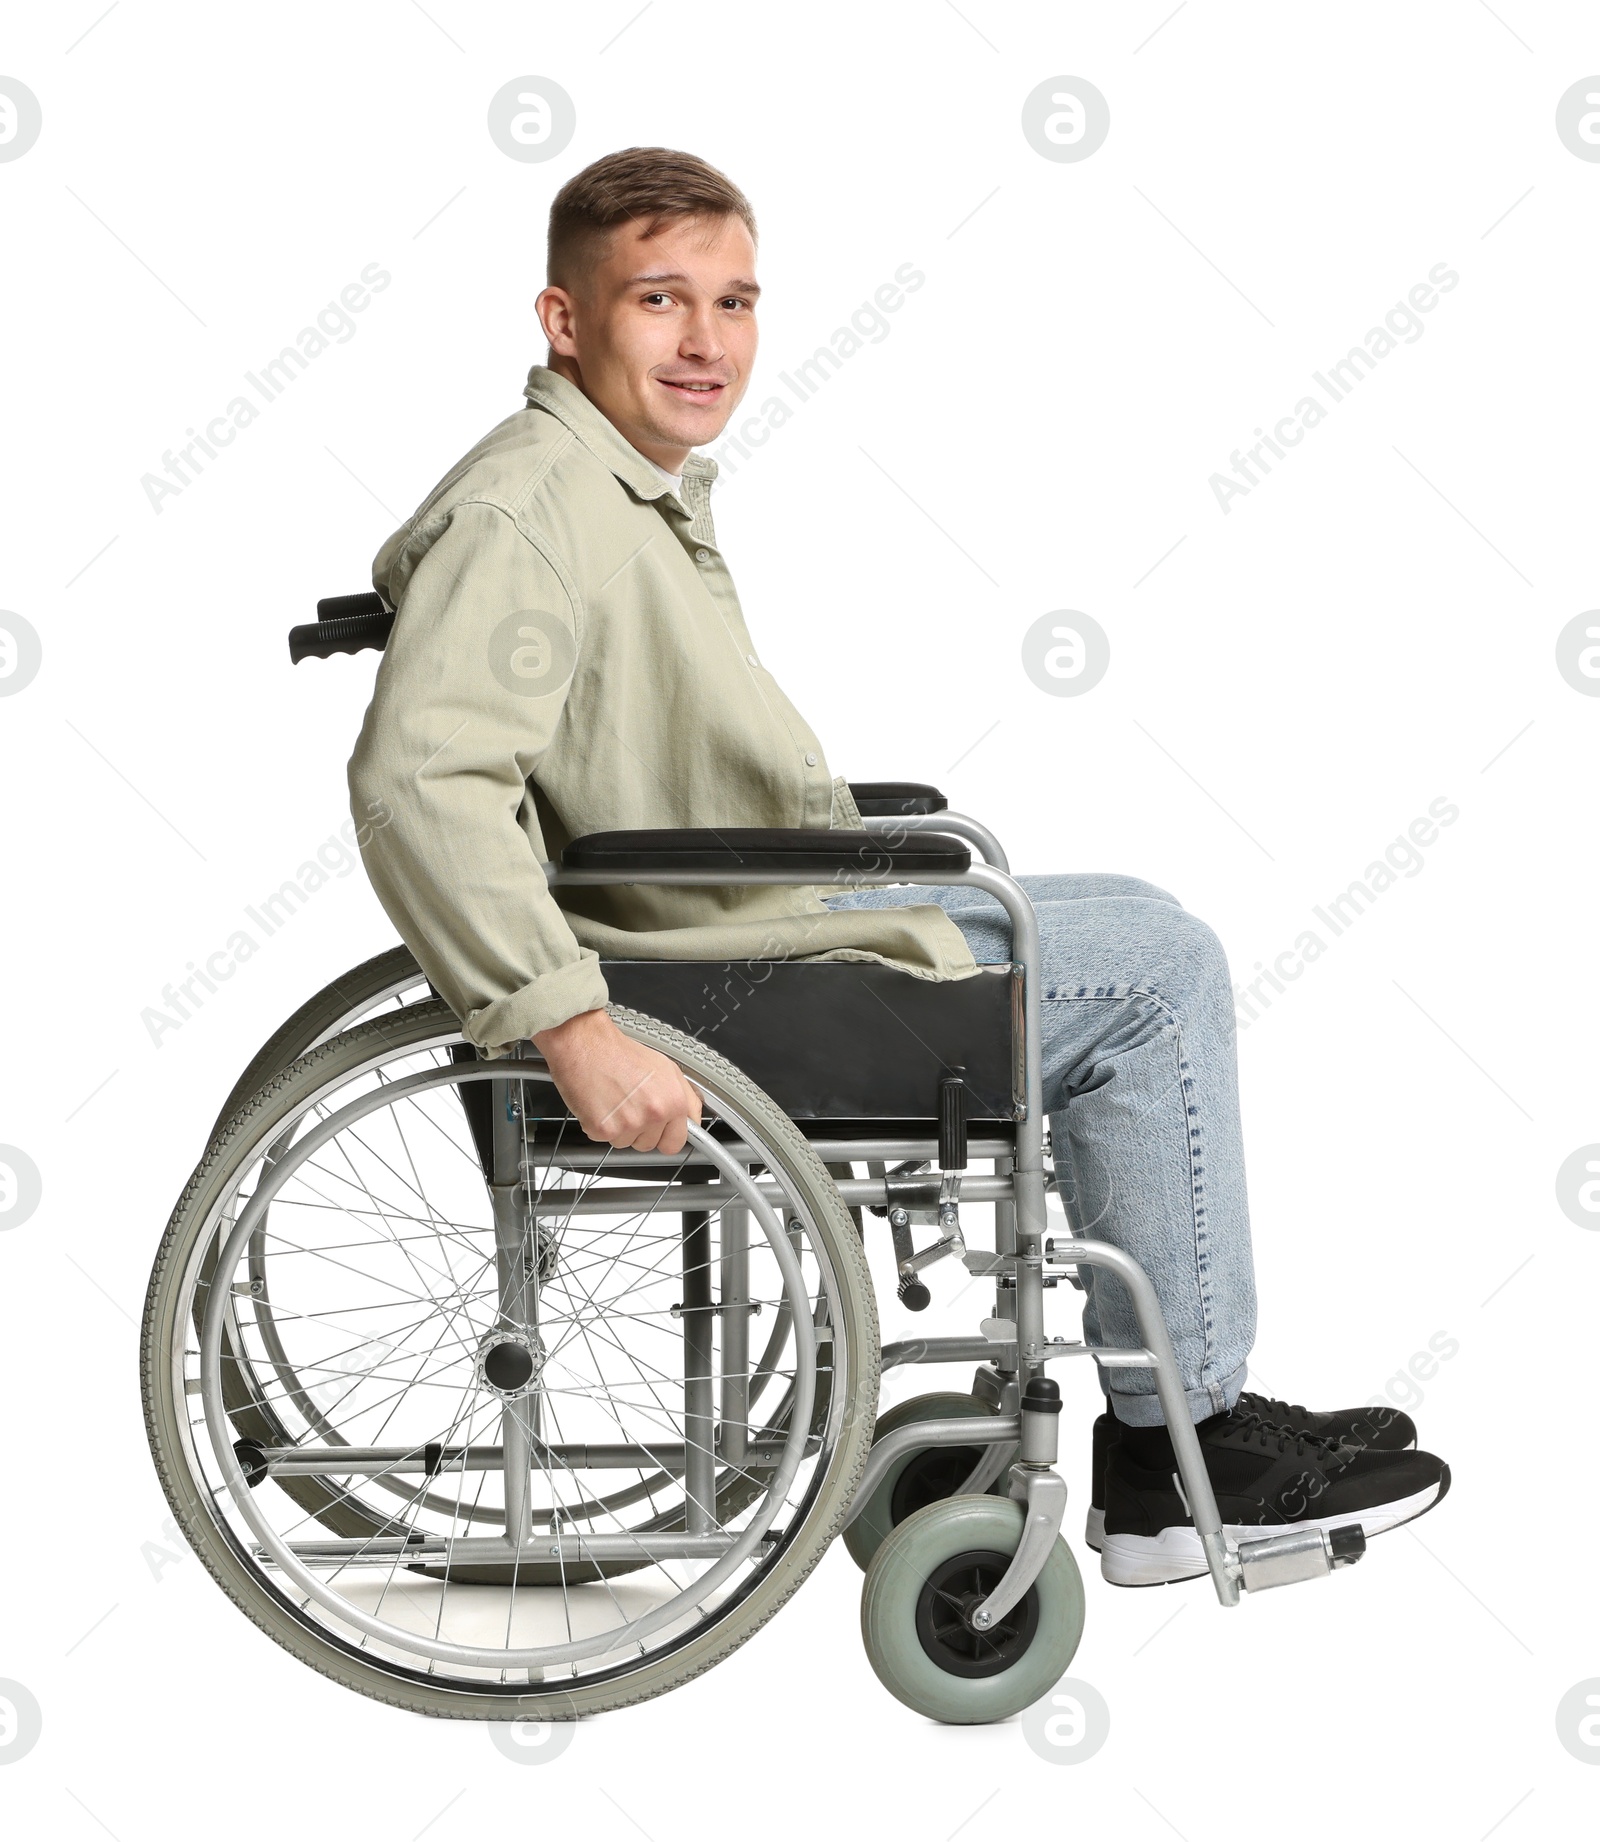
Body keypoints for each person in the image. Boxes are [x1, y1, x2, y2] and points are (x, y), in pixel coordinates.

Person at [348, 146, 1449, 1588]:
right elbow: (419, 778)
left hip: (733, 924)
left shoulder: (612, 487)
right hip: (703, 975)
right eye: (662, 301)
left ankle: (1173, 1423)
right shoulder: (535, 511)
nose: (707, 342)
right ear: (565, 322)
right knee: (1159, 977)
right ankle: (1190, 1446)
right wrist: (570, 1025)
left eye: (735, 302)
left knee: (1141, 915)